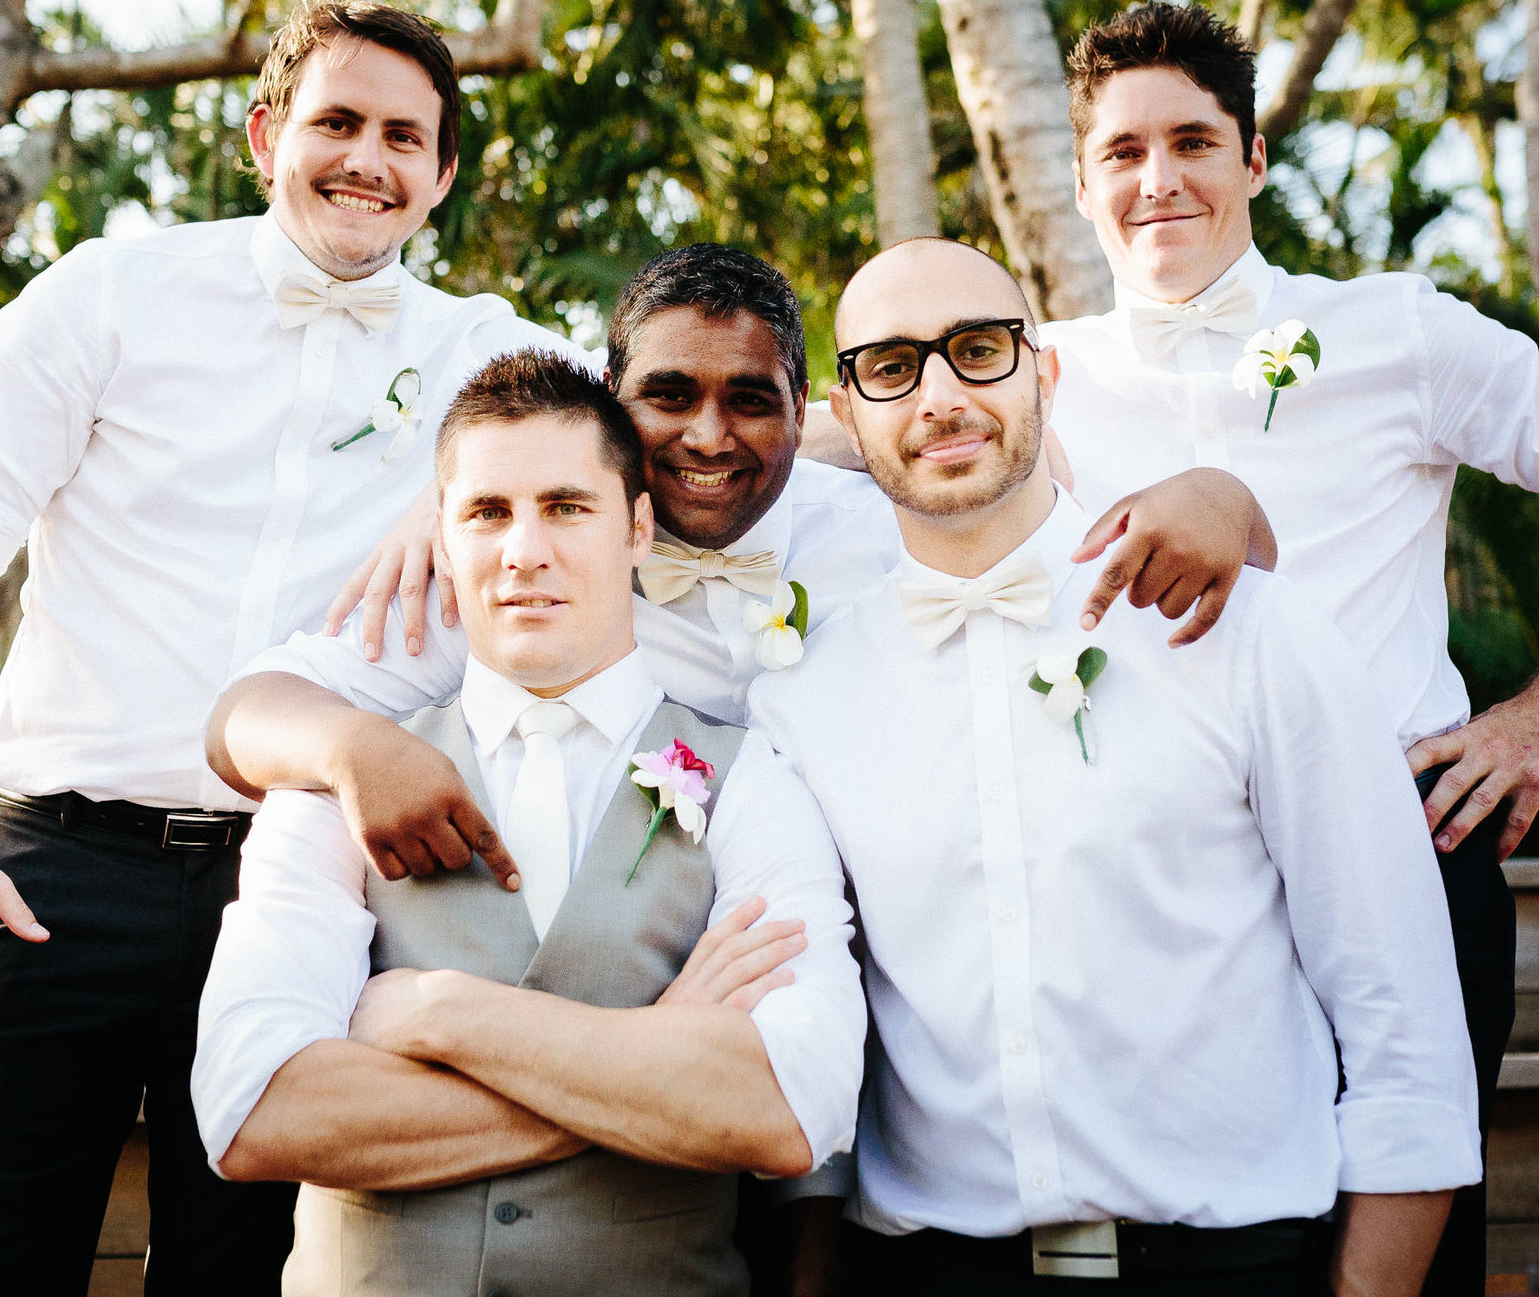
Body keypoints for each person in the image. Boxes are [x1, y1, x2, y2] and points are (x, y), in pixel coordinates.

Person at [0, 0, 568, 1297]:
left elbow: (672, 430)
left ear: (442, 174)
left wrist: (483, 472)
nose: (369, 157)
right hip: (49, 878)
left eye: (404, 136)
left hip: (304, 889)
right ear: (266, 134)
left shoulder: (487, 357)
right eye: (339, 121)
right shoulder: (107, 293)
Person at [1040, 2, 1539, 1297]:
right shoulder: (1033, 373)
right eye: (1124, 151)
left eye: (1193, 140)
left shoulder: (1396, 330)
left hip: (1409, 847)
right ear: (1083, 181)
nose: (1158, 178)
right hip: (1163, 885)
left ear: (1254, 157)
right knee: (1207, 1271)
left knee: (1410, 1274)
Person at [761, 238, 1481, 1297]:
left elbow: (1403, 1011)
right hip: (931, 1295)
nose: (943, 393)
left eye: (978, 349)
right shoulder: (805, 693)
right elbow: (812, 1011)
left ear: (1044, 374)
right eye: (894, 365)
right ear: (843, 416)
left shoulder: (1248, 630)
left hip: (1230, 1293)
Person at [223, 243, 1274, 885]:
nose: (708, 436)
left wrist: (1225, 501)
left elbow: (1096, 558)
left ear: (808, 408)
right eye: (669, 395)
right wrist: (357, 750)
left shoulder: (885, 524)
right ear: (611, 397)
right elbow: (247, 714)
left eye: (750, 400)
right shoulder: (531, 569)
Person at [192, 349, 868, 1297]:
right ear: (445, 539)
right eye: (486, 512)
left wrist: (435, 1012)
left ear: (637, 526)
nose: (523, 549)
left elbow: (785, 1108)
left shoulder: (751, 781)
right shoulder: (337, 788)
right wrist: (657, 1052)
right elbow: (257, 1111)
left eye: (565, 505)